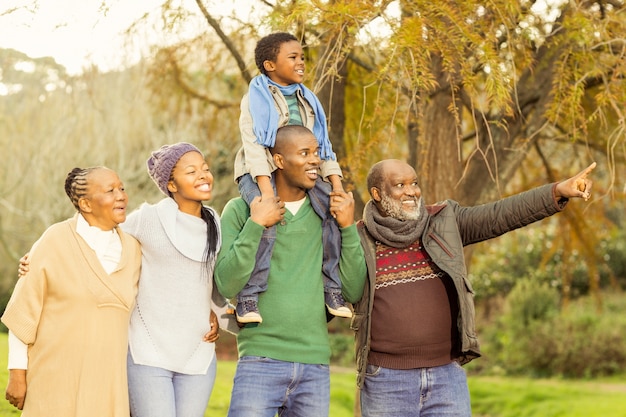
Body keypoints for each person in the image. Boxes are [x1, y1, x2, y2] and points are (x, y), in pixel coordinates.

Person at [352, 158, 596, 417]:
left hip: (446, 376)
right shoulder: (357, 239)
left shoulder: (444, 222)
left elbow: (500, 214)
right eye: (400, 185)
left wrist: (556, 191)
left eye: (414, 183)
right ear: (377, 194)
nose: (411, 191)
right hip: (386, 380)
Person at [215, 125, 367, 416]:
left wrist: (348, 226)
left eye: (317, 153)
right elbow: (226, 282)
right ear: (279, 161)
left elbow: (353, 289)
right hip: (260, 359)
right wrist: (257, 224)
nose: (315, 161)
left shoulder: (329, 216)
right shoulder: (241, 210)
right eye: (304, 153)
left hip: (314, 363)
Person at [1, 166, 142, 416]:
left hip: (109, 386)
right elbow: (22, 314)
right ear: (86, 204)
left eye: (121, 188)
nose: (121, 195)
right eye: (110, 190)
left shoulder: (134, 249)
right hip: (53, 380)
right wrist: (17, 374)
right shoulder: (54, 239)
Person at [233, 31, 350, 323]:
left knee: (333, 215)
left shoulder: (307, 99)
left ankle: (332, 288)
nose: (301, 63)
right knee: (267, 218)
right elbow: (254, 147)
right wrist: (267, 193)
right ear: (271, 65)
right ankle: (248, 298)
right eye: (293, 57)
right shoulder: (255, 99)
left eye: (302, 57)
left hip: (302, 173)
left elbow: (321, 146)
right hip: (259, 172)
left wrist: (335, 185)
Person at [123, 142, 238, 417]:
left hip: (198, 353)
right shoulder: (148, 218)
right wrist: (39, 257)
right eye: (191, 171)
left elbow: (214, 283)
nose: (203, 176)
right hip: (148, 352)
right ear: (171, 185)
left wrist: (218, 313)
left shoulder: (216, 224)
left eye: (205, 169)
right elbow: (101, 234)